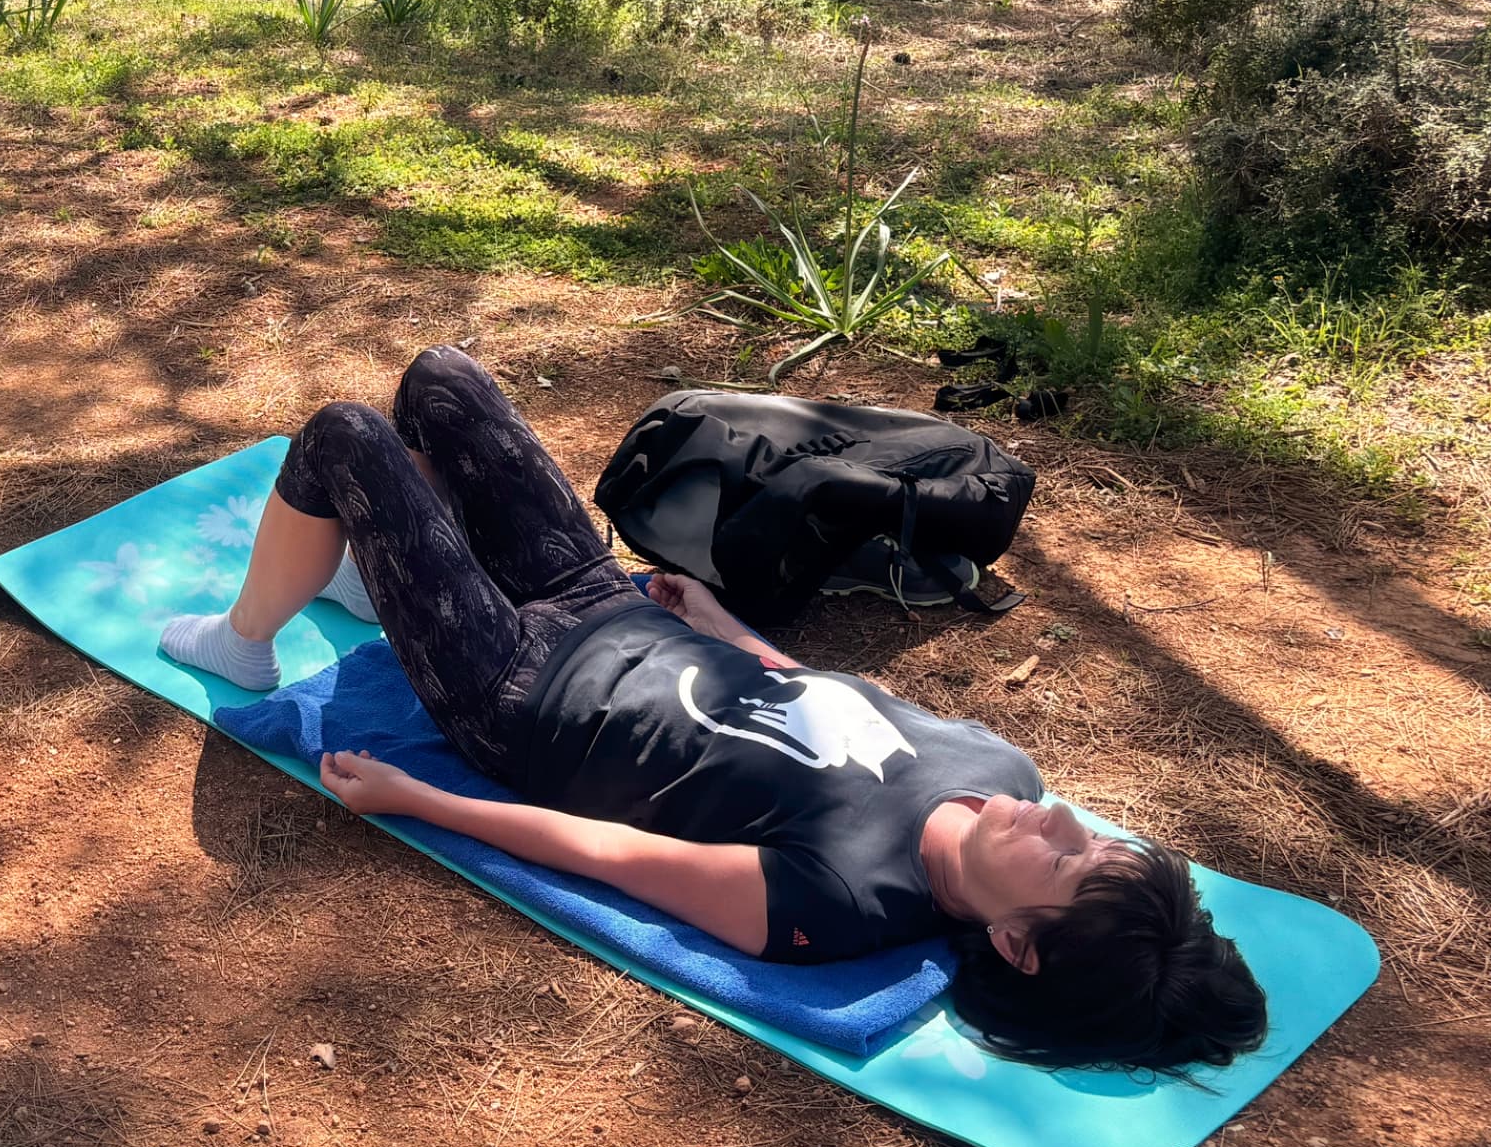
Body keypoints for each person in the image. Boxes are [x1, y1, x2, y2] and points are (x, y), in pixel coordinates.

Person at [159, 347, 1269, 1073]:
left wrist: (421, 800)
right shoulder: (1008, 782)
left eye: (1069, 865)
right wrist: (730, 633)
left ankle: (246, 642)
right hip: (607, 608)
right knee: (442, 383)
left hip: (517, 696)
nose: (1069, 825)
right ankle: (375, 560)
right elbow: (845, 704)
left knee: (344, 438)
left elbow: (607, 856)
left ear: (1019, 947)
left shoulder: (839, 903)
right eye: (1101, 843)